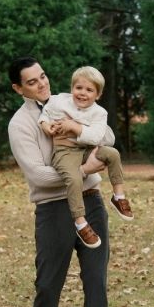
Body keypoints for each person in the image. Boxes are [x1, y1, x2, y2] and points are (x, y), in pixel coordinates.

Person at [6, 57, 113, 307]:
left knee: (96, 282)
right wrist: (84, 169)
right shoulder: (20, 123)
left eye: (43, 76)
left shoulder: (70, 101)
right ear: (18, 88)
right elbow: (39, 175)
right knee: (48, 285)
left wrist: (82, 131)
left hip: (91, 203)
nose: (42, 84)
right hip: (53, 209)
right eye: (32, 82)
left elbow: (106, 137)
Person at [37, 65, 134, 248]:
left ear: (98, 95)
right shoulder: (59, 101)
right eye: (78, 88)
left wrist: (75, 127)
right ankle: (80, 222)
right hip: (65, 152)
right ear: (72, 88)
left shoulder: (99, 113)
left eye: (89, 90)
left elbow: (98, 137)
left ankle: (118, 196)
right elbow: (45, 114)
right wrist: (45, 126)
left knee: (112, 153)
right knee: (74, 177)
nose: (82, 93)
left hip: (87, 148)